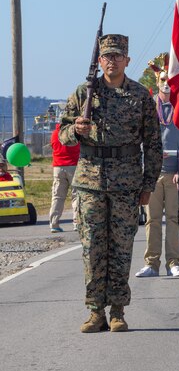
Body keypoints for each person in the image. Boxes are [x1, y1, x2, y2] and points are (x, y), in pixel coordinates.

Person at [59, 34, 162, 333]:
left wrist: (148, 184)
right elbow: (62, 133)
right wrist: (76, 130)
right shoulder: (84, 93)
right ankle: (95, 311)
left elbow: (152, 144)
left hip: (127, 183)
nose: (112, 61)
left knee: (121, 248)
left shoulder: (140, 96)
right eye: (107, 56)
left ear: (127, 60)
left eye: (117, 56)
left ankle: (117, 310)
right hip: (90, 182)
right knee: (92, 249)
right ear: (99, 60)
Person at [135, 58, 179, 279]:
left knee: (174, 219)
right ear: (157, 80)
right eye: (163, 79)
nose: (167, 84)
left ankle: (173, 262)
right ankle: (151, 263)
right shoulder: (148, 107)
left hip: (175, 174)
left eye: (170, 80)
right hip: (153, 174)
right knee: (152, 220)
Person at [48, 123, 80, 233]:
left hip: (58, 167)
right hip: (74, 165)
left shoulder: (54, 133)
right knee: (76, 195)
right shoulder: (74, 132)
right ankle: (77, 222)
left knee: (57, 196)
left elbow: (53, 146)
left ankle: (54, 223)